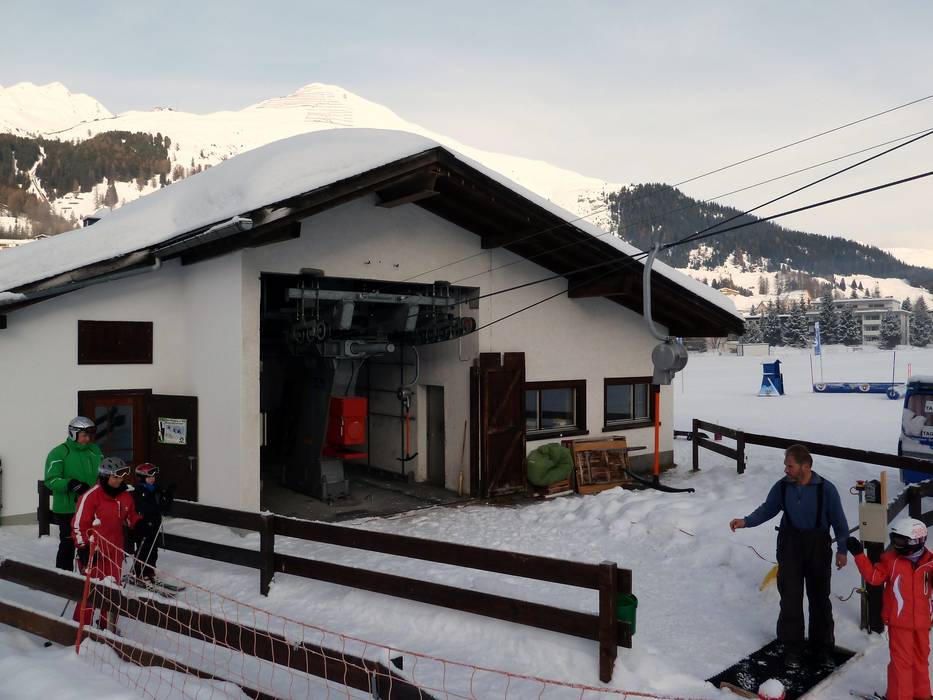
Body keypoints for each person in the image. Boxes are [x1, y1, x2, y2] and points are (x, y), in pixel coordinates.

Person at [729, 444, 849, 668]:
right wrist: (745, 521)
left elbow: (840, 523)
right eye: (786, 465)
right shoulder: (782, 486)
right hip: (790, 544)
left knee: (819, 599)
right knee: (790, 598)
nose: (786, 470)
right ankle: (792, 647)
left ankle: (822, 648)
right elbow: (767, 509)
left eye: (790, 466)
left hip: (818, 545)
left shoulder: (826, 489)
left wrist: (842, 550)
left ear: (806, 466)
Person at [847, 518, 933, 700]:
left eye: (901, 541)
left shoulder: (930, 564)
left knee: (920, 659)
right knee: (902, 663)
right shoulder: (891, 561)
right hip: (900, 622)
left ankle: (922, 695)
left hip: (923, 622)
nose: (896, 545)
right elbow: (874, 577)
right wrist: (859, 555)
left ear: (916, 541)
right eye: (895, 540)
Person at [72, 456, 141, 632]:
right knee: (91, 592)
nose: (119, 481)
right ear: (104, 476)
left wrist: (139, 525)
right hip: (93, 551)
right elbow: (79, 525)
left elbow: (130, 516)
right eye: (115, 477)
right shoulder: (91, 496)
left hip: (115, 550)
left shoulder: (124, 496)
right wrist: (84, 547)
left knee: (112, 592)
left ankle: (107, 628)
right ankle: (81, 629)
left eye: (121, 477)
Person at [44, 416, 102, 571]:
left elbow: (102, 474)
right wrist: (70, 484)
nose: (87, 439)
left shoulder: (94, 450)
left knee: (90, 542)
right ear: (73, 434)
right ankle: (63, 577)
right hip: (68, 508)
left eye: (89, 436)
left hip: (91, 507)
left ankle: (89, 576)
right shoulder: (59, 453)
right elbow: (51, 480)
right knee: (68, 544)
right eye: (84, 435)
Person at [130, 463, 175, 583]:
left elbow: (164, 504)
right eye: (149, 477)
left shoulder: (156, 488)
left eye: (153, 476)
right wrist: (158, 507)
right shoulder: (139, 490)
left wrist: (168, 495)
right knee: (143, 549)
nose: (152, 479)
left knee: (153, 549)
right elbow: (144, 507)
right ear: (142, 478)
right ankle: (139, 573)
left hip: (154, 523)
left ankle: (150, 571)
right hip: (143, 525)